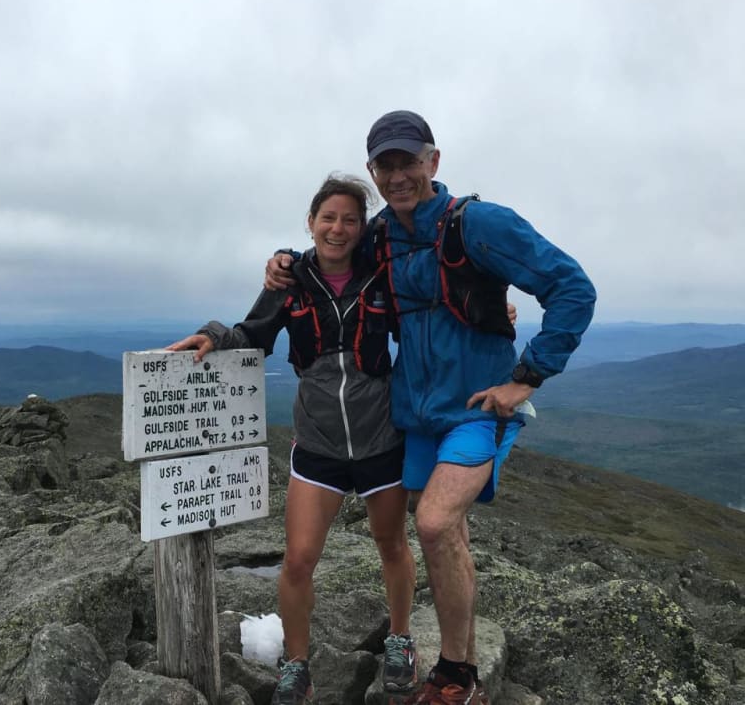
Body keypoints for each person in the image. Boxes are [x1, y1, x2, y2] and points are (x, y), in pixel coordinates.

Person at [265, 110, 596, 705]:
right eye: (385, 165)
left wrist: (527, 378)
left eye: (408, 162)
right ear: (374, 170)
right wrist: (283, 261)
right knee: (450, 535)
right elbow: (329, 248)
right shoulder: (381, 234)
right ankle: (460, 667)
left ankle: (453, 675)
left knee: (435, 522)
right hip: (414, 416)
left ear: (433, 162)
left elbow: (573, 287)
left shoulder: (478, 224)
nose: (397, 175)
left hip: (475, 410)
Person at [167, 175, 419, 704]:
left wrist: (489, 317)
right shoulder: (292, 279)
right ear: (311, 222)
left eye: (350, 219)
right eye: (328, 217)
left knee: (392, 544)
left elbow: (424, 323)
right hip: (318, 445)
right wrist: (214, 335)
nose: (338, 228)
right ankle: (296, 667)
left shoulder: (382, 277)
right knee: (299, 559)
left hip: (382, 439)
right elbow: (252, 332)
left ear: (362, 228)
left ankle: (400, 640)